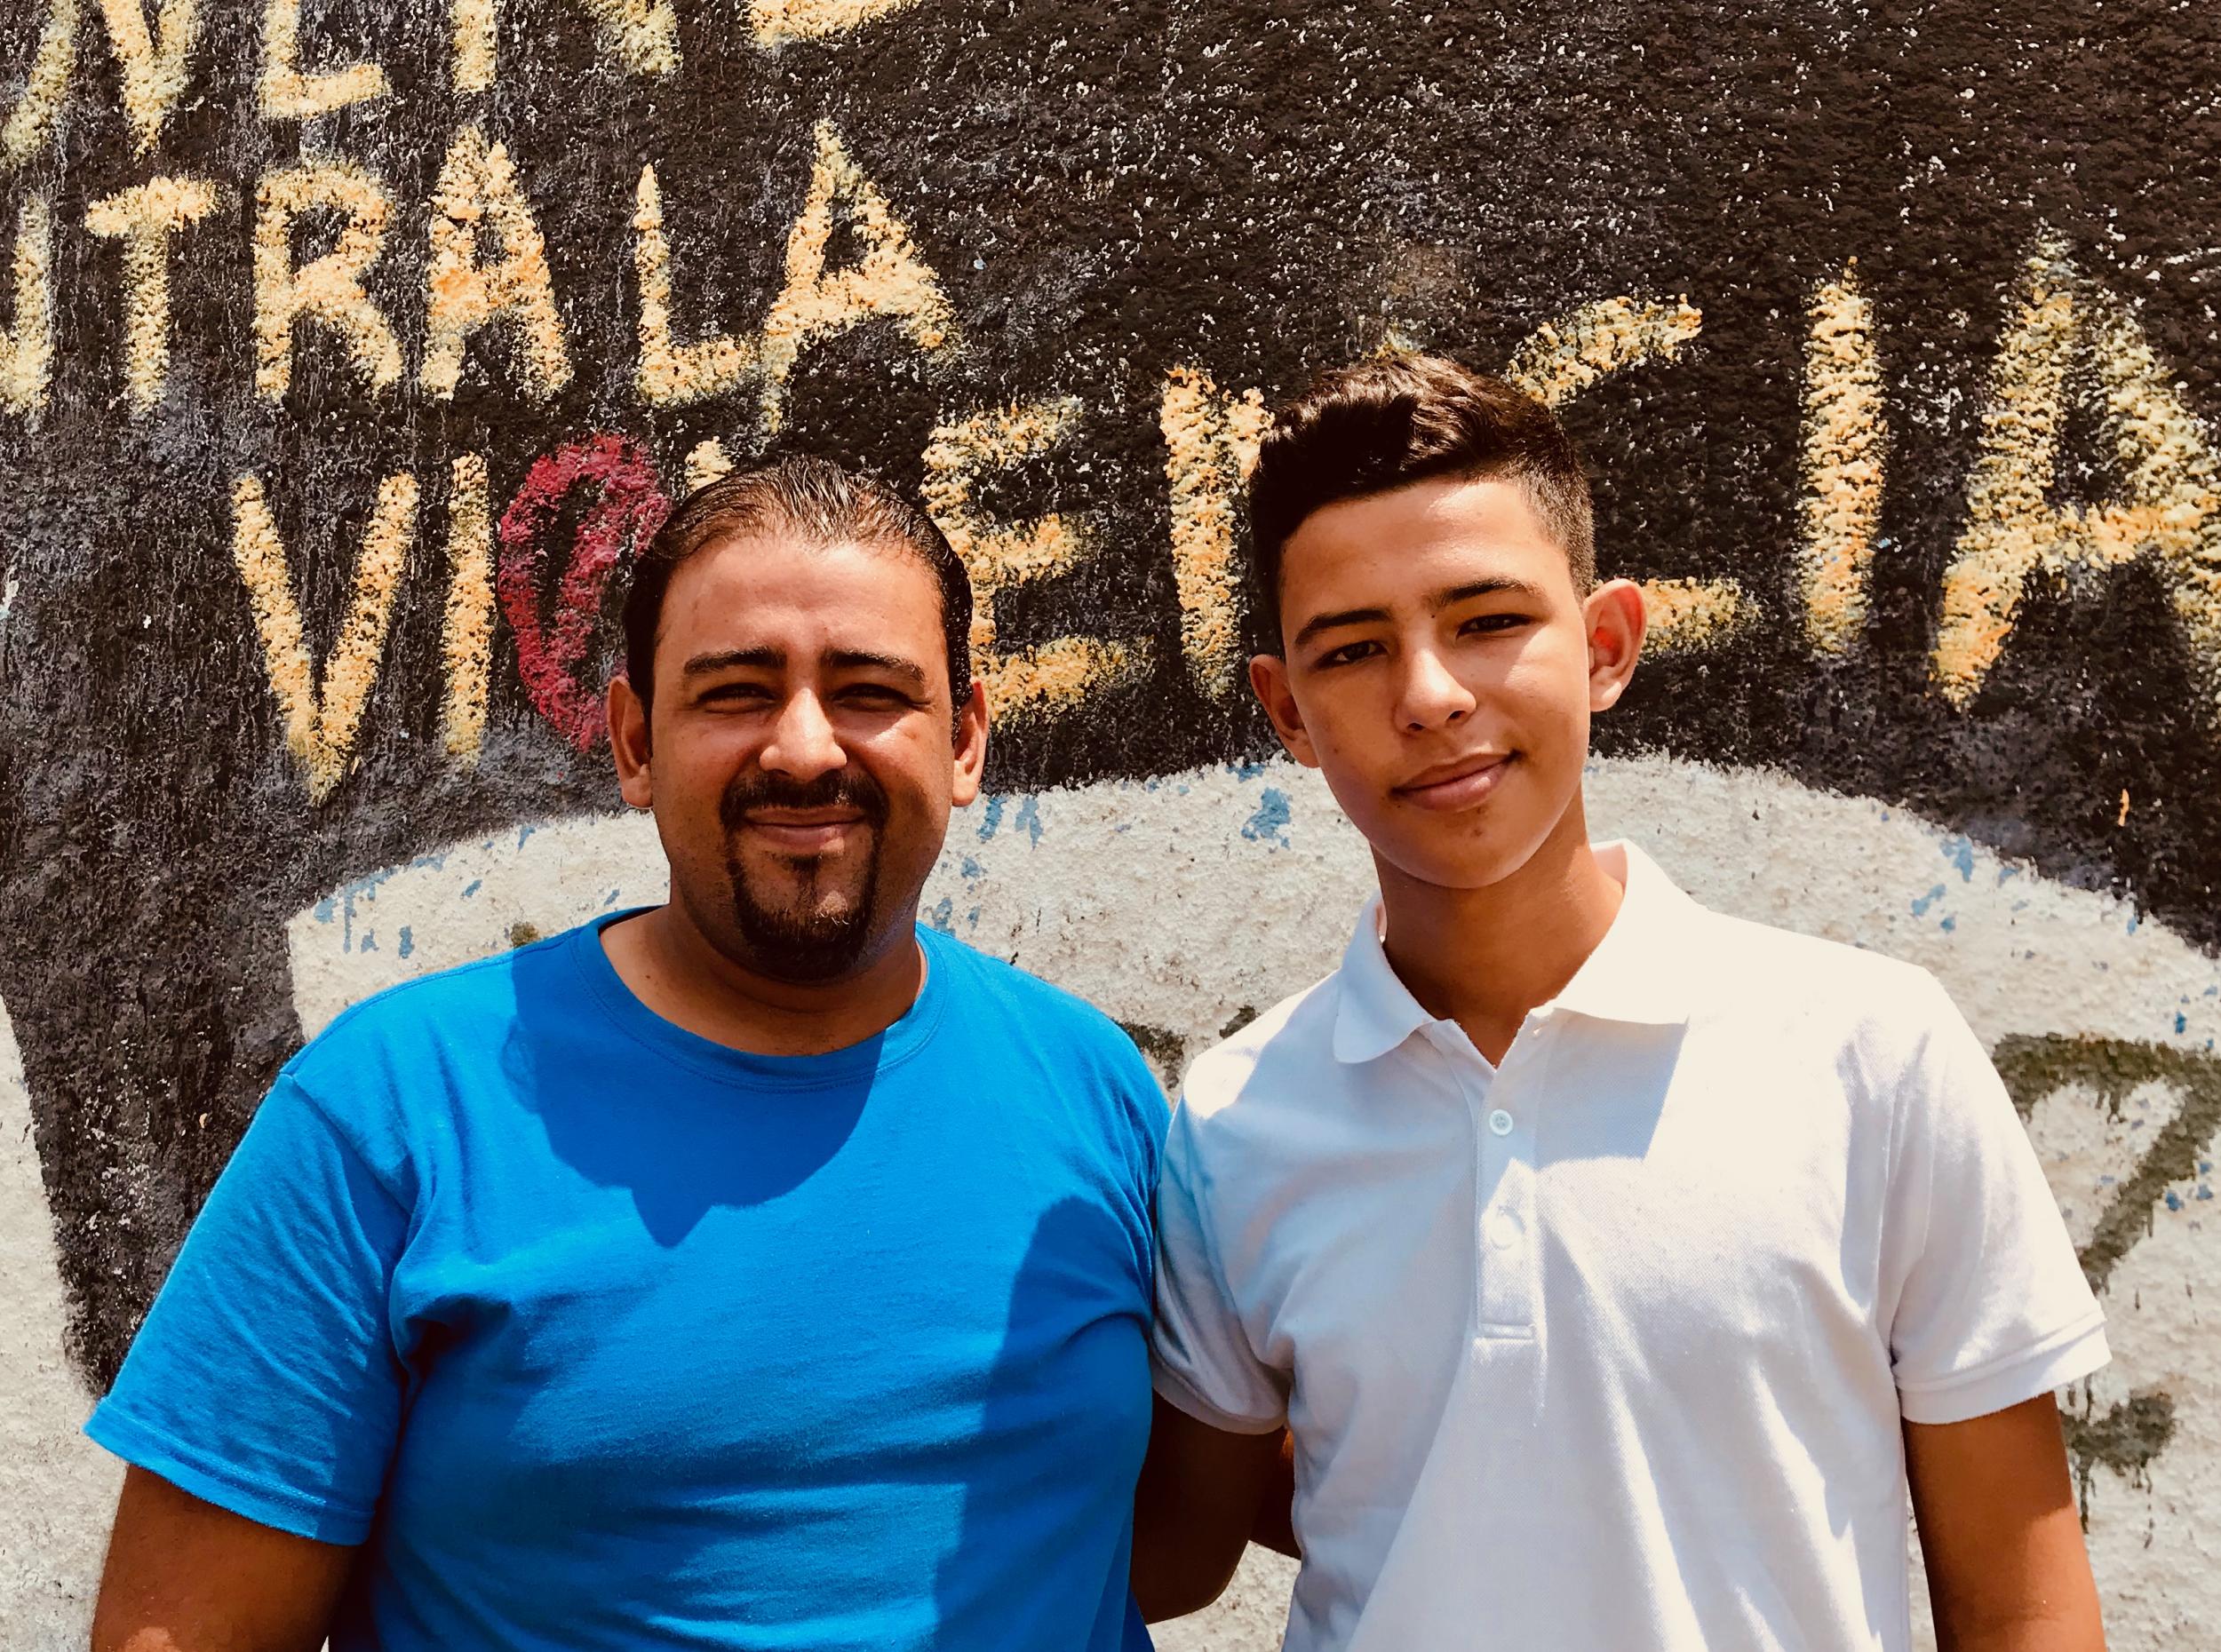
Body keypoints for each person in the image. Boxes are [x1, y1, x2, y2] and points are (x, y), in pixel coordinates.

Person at [86, 457, 1166, 1651]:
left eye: (869, 691)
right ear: (634, 741)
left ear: (963, 740)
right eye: (736, 692)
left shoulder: (1097, 1093)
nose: (805, 748)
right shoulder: (395, 1109)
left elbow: (1173, 1531)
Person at [1129, 355, 2109, 1650]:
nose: (1429, 695)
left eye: (1487, 620)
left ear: (1604, 646)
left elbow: (2023, 1606)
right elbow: (1174, 1548)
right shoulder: (1238, 1122)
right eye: (1354, 649)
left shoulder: (1871, 1054)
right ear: (1288, 713)